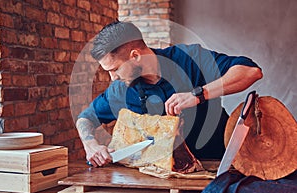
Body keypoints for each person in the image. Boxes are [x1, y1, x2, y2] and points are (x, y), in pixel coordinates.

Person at [76, 21, 263, 167]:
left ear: (135, 56)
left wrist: (198, 95)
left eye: (115, 69)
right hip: (161, 177)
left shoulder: (188, 58)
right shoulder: (120, 90)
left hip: (218, 164)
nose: (113, 77)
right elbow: (86, 118)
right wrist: (90, 144)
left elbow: (250, 71)